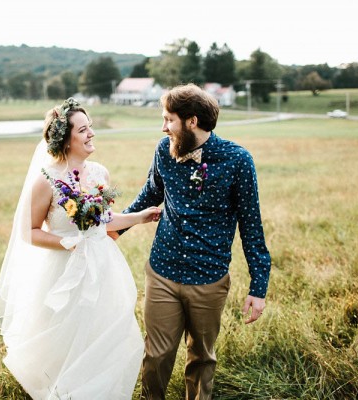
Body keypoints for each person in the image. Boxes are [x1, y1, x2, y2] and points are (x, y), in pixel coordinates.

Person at [0, 98, 161, 400]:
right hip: (61, 268)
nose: (91, 133)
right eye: (83, 130)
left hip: (102, 265)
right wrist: (66, 242)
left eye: (90, 127)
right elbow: (29, 233)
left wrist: (138, 217)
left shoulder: (99, 173)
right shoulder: (46, 181)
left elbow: (102, 221)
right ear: (65, 139)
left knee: (104, 332)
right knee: (63, 337)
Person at [115, 83, 271, 399]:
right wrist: (114, 228)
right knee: (156, 355)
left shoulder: (238, 161)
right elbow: (151, 193)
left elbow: (251, 226)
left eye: (168, 120)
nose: (163, 127)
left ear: (192, 122)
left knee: (202, 358)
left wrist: (258, 287)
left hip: (209, 278)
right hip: (162, 272)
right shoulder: (163, 150)